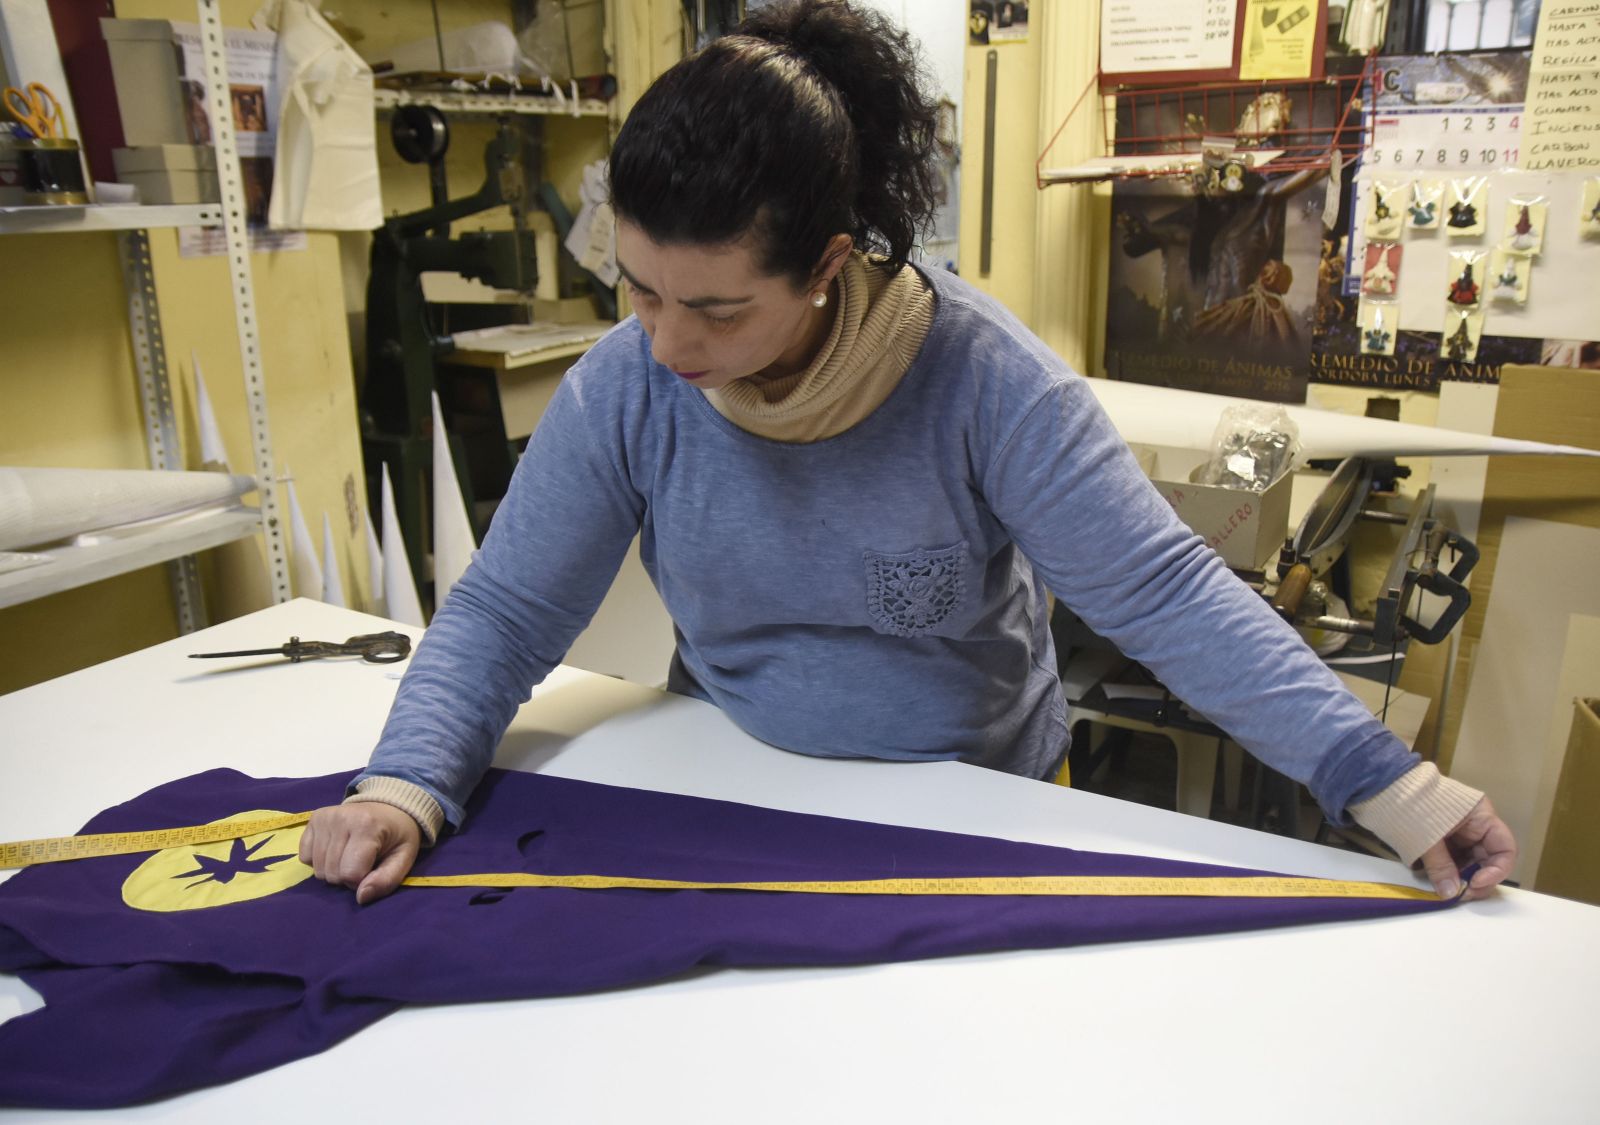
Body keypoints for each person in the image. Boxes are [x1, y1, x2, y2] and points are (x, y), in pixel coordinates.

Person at [302, 0, 1516, 906]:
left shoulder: (986, 386)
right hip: (730, 788)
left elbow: (1168, 596)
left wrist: (1385, 783)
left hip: (973, 811)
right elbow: (510, 610)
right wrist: (405, 782)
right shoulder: (629, 385)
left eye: (717, 310)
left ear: (830, 266)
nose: (664, 342)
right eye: (637, 290)